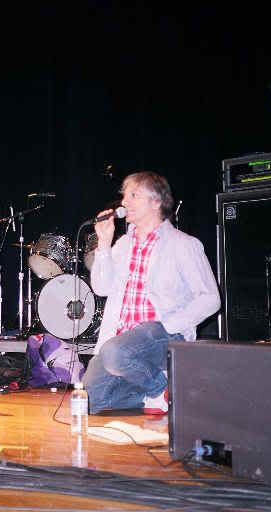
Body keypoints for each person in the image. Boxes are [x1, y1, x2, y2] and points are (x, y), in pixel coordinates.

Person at [82, 171, 220, 415]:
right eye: (124, 196)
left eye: (134, 195)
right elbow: (101, 288)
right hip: (122, 340)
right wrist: (103, 244)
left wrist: (170, 324)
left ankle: (161, 388)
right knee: (91, 401)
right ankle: (155, 393)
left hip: (163, 333)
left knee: (116, 353)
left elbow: (210, 299)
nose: (124, 202)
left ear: (156, 201)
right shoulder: (123, 245)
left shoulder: (183, 244)